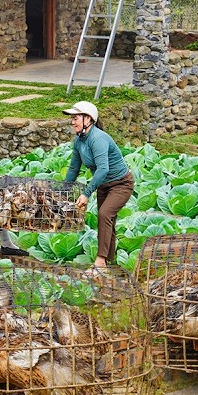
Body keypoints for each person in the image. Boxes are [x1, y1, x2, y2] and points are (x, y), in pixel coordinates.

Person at [62, 100, 133, 269]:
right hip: (103, 186)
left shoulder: (98, 139)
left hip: (121, 184)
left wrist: (86, 193)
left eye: (75, 118)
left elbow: (102, 169)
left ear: (88, 119)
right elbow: (73, 167)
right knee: (107, 222)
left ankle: (100, 262)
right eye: (72, 118)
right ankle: (109, 263)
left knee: (104, 214)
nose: (72, 122)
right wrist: (62, 190)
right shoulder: (79, 140)